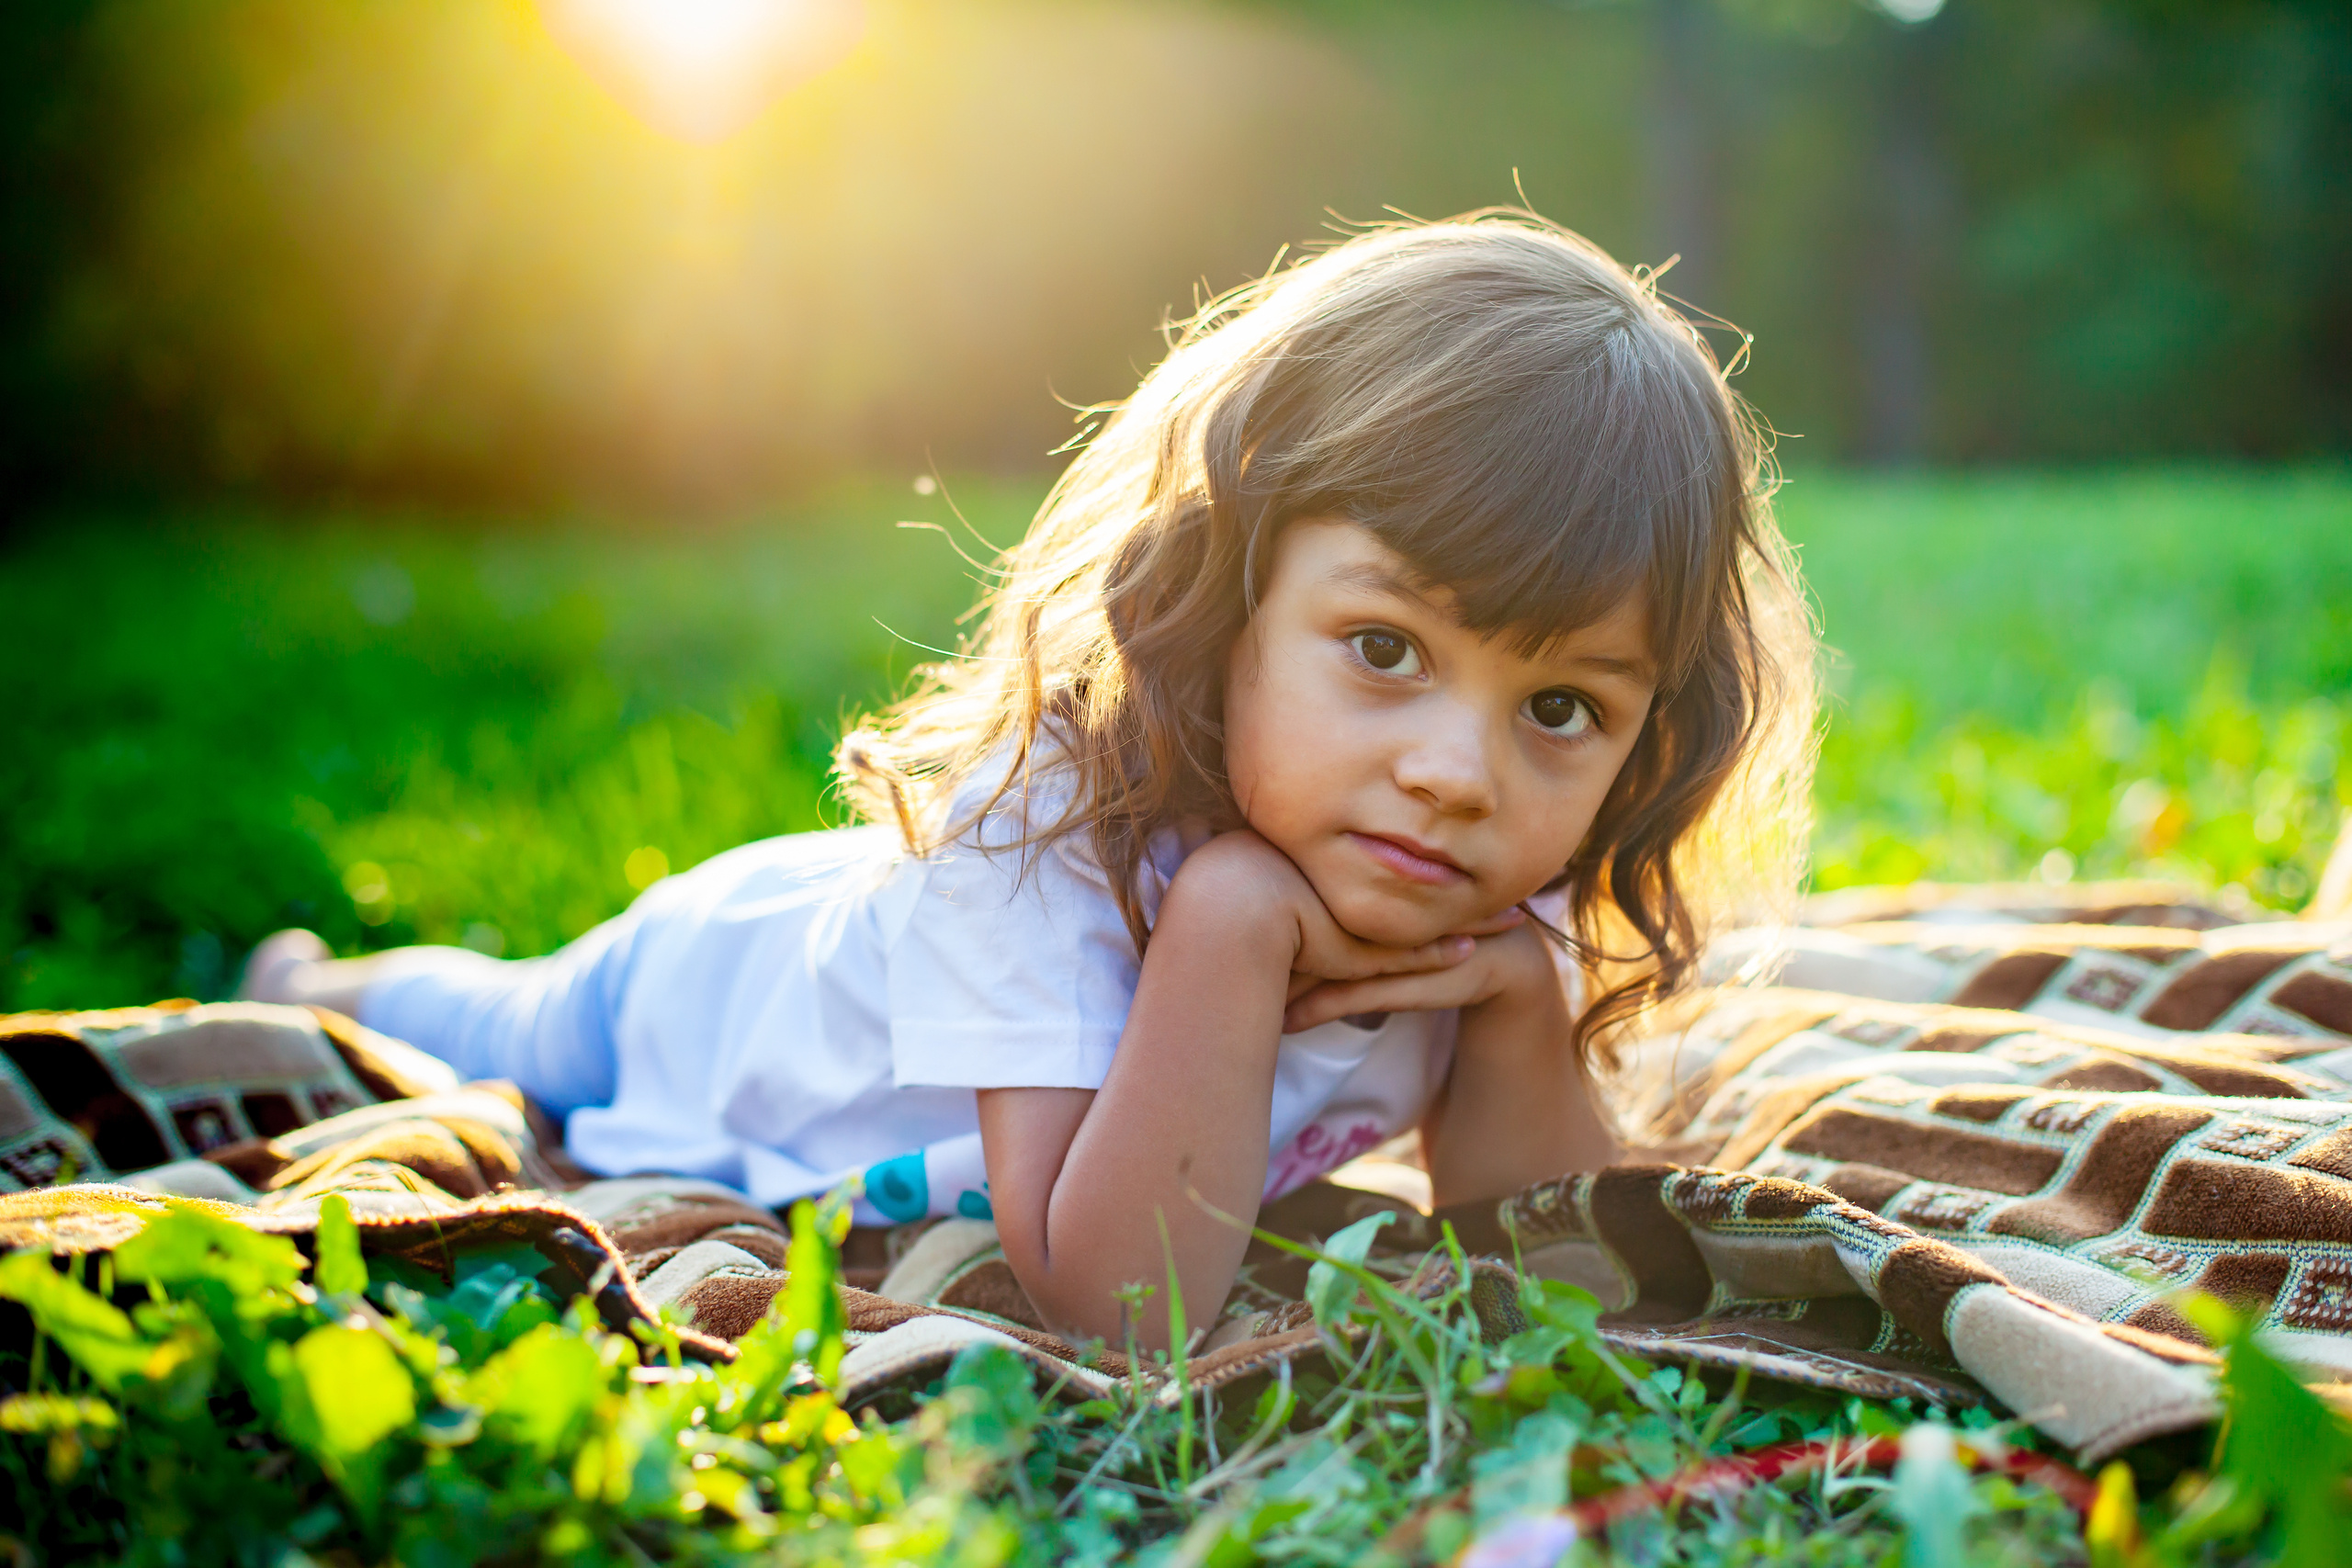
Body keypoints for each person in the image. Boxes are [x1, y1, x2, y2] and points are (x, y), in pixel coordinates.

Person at [242, 211, 1818, 1348]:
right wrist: (1226, 925)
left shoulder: (1482, 890)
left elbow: (1545, 1270)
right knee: (494, 1027)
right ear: (1231, 591)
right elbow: (1122, 1303)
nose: (1456, 774)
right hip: (700, 1006)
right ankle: (328, 976)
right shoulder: (1043, 826)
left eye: (1558, 704)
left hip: (800, 996)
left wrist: (1522, 1011)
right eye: (1386, 650)